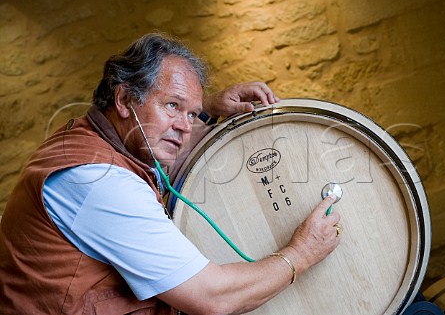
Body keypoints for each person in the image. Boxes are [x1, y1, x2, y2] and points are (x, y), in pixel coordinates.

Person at [0, 33, 341, 315]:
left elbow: (162, 159)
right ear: (123, 99)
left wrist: (205, 111)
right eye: (172, 105)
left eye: (190, 114)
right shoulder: (97, 180)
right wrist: (302, 253)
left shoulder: (92, 139)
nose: (183, 125)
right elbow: (212, 297)